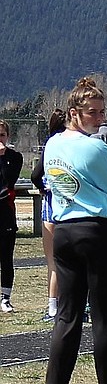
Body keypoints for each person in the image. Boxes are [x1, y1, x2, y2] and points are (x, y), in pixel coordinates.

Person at [41, 77, 107, 384]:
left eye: (103, 112)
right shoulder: (96, 148)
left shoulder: (53, 145)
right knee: (105, 315)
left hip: (64, 231)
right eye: (93, 112)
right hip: (96, 229)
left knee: (67, 314)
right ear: (74, 113)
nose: (100, 118)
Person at [30, 109, 68, 321]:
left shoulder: (51, 145)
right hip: (72, 203)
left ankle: (53, 306)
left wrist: (43, 188)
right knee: (73, 260)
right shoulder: (74, 143)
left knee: (53, 262)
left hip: (52, 204)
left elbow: (36, 174)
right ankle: (76, 304)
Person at [0, 120, 24, 314]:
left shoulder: (15, 157)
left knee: (6, 258)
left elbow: (9, 181)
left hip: (6, 214)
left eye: (2, 135)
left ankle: (5, 298)